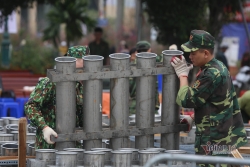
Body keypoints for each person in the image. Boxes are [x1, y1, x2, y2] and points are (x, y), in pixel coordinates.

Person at [171, 30, 247, 158]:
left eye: (193, 53)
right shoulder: (218, 66)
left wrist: (182, 75)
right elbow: (215, 102)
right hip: (221, 137)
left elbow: (186, 100)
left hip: (213, 141)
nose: (190, 56)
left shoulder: (211, 74)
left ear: (205, 53)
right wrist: (194, 117)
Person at [25, 46, 90, 149]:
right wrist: (44, 127)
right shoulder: (50, 82)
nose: (88, 65)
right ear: (74, 61)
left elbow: (80, 116)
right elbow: (30, 106)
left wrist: (93, 122)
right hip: (49, 146)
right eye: (85, 60)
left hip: (72, 146)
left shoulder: (79, 85)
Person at [129, 41, 160, 115]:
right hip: (150, 105)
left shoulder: (131, 65)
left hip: (134, 106)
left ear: (137, 51)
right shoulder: (153, 62)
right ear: (149, 50)